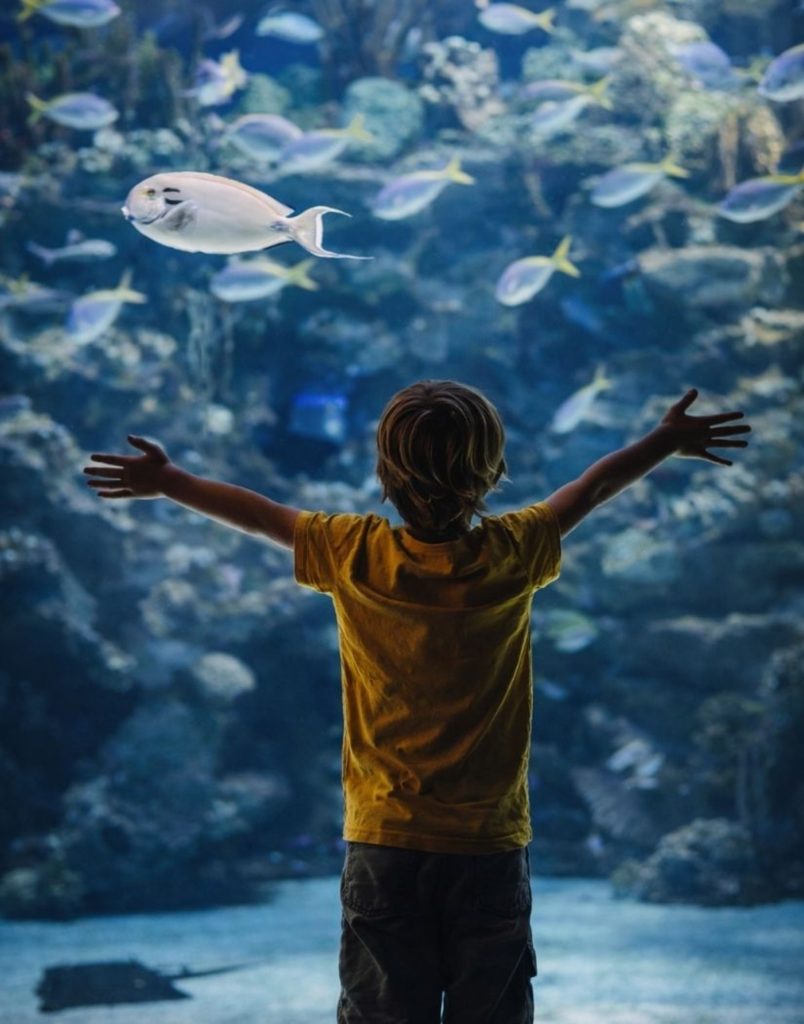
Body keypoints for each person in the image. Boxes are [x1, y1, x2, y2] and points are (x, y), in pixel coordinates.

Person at [82, 381, 751, 1024]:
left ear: (384, 472)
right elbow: (592, 488)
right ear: (493, 473)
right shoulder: (514, 550)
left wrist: (169, 481)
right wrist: (664, 440)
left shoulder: (351, 551)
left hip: (384, 840)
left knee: (382, 1012)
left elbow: (260, 516)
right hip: (487, 845)